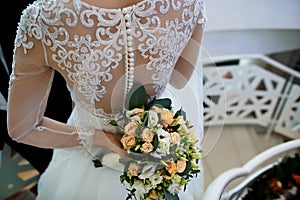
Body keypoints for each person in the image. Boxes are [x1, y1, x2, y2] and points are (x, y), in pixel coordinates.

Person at [7, 0, 207, 199]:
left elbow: (23, 128)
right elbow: (180, 79)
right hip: (159, 159)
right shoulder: (188, 2)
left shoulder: (42, 18)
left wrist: (96, 137)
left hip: (84, 172)